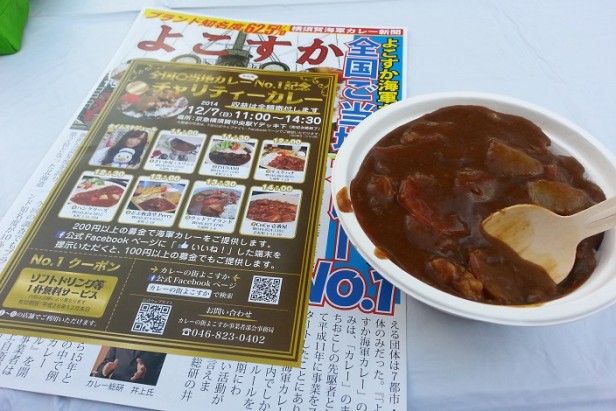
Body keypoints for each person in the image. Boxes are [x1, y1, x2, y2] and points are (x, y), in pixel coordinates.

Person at [93, 347, 166, 386]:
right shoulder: (121, 337)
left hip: (140, 395)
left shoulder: (164, 346)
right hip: (113, 389)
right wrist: (104, 370)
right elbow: (106, 362)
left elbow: (163, 379)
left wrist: (146, 373)